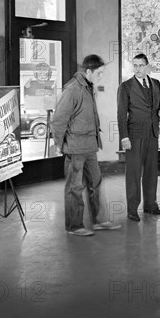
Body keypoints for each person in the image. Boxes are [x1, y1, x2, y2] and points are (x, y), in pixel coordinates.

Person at [51, 54, 121, 236]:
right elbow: (58, 121)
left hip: (89, 146)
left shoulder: (88, 88)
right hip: (75, 148)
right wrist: (60, 145)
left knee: (96, 183)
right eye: (99, 73)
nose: (101, 76)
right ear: (88, 71)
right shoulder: (73, 89)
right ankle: (74, 227)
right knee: (75, 187)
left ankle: (99, 220)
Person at [117, 53, 160, 221]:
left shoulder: (156, 83)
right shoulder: (126, 87)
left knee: (152, 172)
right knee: (133, 173)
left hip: (153, 133)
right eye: (135, 65)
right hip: (134, 135)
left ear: (147, 67)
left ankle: (150, 206)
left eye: (141, 65)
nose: (137, 69)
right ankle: (132, 209)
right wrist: (124, 137)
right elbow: (121, 114)